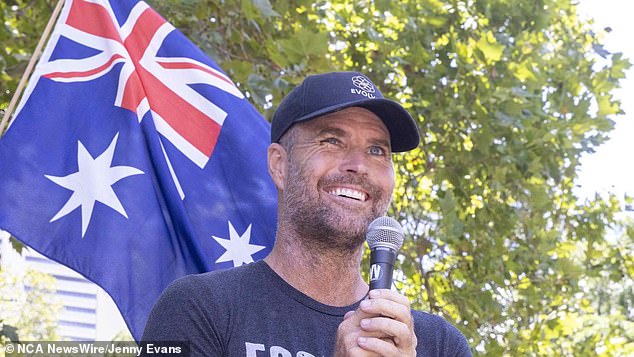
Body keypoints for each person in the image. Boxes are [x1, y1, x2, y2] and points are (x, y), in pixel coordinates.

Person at [142, 71, 472, 357]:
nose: (358, 165)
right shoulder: (200, 309)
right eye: (331, 140)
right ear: (279, 165)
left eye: (377, 150)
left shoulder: (439, 345)